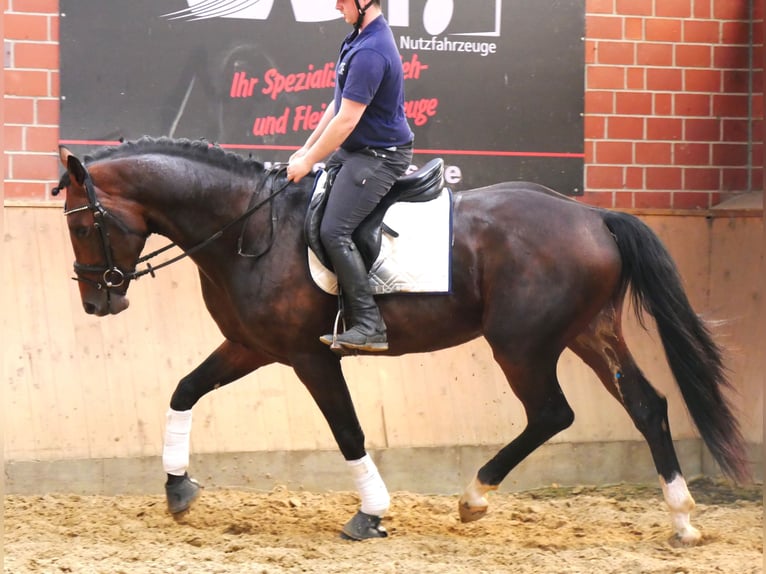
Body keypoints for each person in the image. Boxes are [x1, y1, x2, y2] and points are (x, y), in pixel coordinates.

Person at [287, 0, 414, 353]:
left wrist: (309, 159)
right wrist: (306, 150)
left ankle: (370, 324)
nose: (336, 4)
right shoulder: (356, 39)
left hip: (380, 156)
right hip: (358, 151)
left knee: (334, 229)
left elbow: (347, 121)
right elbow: (338, 105)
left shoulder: (372, 50)